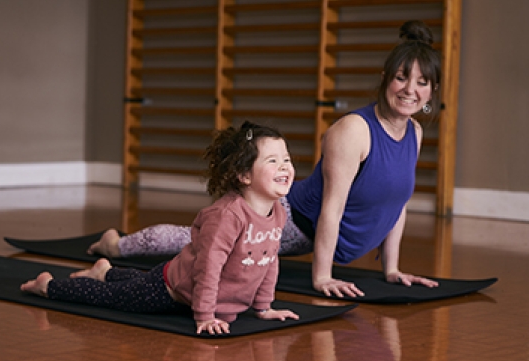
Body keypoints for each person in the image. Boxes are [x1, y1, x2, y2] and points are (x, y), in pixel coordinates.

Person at [87, 20, 441, 299]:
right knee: (198, 244)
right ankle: (116, 245)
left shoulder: (415, 133)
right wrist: (322, 277)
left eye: (422, 82)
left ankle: (117, 245)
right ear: (385, 80)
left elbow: (397, 203)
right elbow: (331, 209)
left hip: (308, 229)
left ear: (431, 91)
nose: (410, 90)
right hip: (288, 219)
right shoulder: (354, 131)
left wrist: (392, 271)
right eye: (401, 78)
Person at [21, 121, 299, 334]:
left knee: (131, 282)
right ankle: (48, 286)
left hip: (193, 291)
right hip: (170, 289)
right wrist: (204, 316)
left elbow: (268, 260)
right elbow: (209, 266)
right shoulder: (228, 216)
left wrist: (264, 308)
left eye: (286, 158)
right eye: (272, 161)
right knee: (110, 298)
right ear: (244, 175)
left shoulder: (276, 212)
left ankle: (104, 271)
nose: (284, 166)